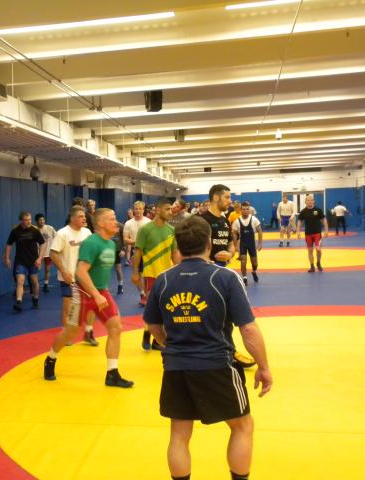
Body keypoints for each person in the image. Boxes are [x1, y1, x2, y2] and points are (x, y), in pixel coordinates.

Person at [144, 215, 272, 480]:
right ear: (210, 243)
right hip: (217, 365)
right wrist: (263, 367)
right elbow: (248, 330)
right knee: (242, 426)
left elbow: (153, 326)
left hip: (176, 367)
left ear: (178, 245)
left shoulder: (163, 280)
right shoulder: (225, 277)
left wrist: (172, 345)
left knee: (179, 434)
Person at [44, 208, 134, 388]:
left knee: (115, 328)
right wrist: (95, 295)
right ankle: (51, 358)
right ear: (100, 223)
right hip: (83, 293)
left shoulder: (111, 244)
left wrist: (100, 294)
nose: (116, 222)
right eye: (112, 219)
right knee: (71, 332)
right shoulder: (92, 243)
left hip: (101, 291)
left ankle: (112, 374)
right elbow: (80, 272)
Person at [202, 185, 255, 369]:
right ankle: (222, 352)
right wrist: (207, 260)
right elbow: (191, 249)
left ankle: (228, 351)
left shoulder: (224, 220)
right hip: (205, 276)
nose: (230, 201)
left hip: (221, 274)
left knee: (225, 316)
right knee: (210, 316)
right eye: (227, 197)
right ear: (216, 198)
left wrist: (230, 254)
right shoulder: (201, 221)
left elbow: (231, 244)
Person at [132, 198, 180, 351]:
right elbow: (137, 252)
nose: (170, 212)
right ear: (158, 210)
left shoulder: (171, 230)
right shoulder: (146, 229)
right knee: (151, 307)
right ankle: (147, 334)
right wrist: (135, 273)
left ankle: (157, 340)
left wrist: (180, 271)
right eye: (167, 209)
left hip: (167, 275)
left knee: (166, 307)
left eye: (171, 209)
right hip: (151, 274)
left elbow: (174, 253)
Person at [49, 205, 97, 346]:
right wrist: (64, 271)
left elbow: (92, 251)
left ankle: (88, 332)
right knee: (69, 308)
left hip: (86, 276)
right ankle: (66, 334)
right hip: (69, 277)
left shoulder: (87, 232)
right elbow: (53, 253)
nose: (84, 218)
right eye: (81, 216)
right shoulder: (62, 233)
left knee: (91, 305)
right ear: (72, 218)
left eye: (84, 216)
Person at [3, 211, 46, 311]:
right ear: (21, 221)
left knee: (34, 281)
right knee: (20, 281)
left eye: (30, 219)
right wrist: (7, 258)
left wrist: (40, 258)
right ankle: (19, 302)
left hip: (33, 260)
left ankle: (35, 298)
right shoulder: (15, 231)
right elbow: (9, 244)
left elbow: (43, 244)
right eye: (26, 220)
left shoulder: (35, 230)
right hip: (20, 260)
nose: (29, 222)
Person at [123, 201, 151, 302]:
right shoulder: (128, 223)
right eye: (136, 209)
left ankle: (148, 294)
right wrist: (138, 243)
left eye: (140, 208)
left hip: (147, 252)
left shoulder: (149, 222)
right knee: (137, 275)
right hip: (135, 252)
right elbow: (125, 239)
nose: (138, 210)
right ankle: (142, 294)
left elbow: (151, 239)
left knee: (146, 275)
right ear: (133, 210)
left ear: (143, 210)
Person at [232, 202, 263, 286]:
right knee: (243, 261)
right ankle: (244, 277)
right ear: (240, 210)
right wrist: (235, 245)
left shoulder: (254, 219)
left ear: (249, 210)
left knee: (255, 263)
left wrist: (260, 244)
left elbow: (260, 231)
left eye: (247, 209)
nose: (245, 211)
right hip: (243, 244)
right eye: (244, 209)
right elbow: (234, 233)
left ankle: (254, 271)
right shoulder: (237, 221)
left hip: (251, 244)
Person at [297, 195, 329, 273]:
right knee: (310, 250)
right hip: (308, 234)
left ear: (314, 201)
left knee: (318, 249)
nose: (310, 202)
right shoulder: (303, 211)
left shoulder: (318, 210)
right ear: (305, 202)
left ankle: (318, 262)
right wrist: (298, 231)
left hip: (317, 233)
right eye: (308, 200)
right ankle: (312, 266)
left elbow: (324, 220)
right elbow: (299, 221)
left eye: (311, 200)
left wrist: (326, 230)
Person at [35, 213, 56, 293]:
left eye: (43, 219)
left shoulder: (50, 228)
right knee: (36, 269)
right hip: (38, 253)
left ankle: (46, 284)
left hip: (48, 252)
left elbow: (56, 237)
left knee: (47, 269)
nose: (42, 221)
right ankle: (34, 284)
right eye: (40, 220)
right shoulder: (35, 230)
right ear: (37, 221)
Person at [112, 218, 126, 294]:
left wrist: (123, 249)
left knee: (118, 269)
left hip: (117, 250)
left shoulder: (120, 226)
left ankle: (120, 285)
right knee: (105, 269)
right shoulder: (105, 225)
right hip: (107, 251)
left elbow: (125, 238)